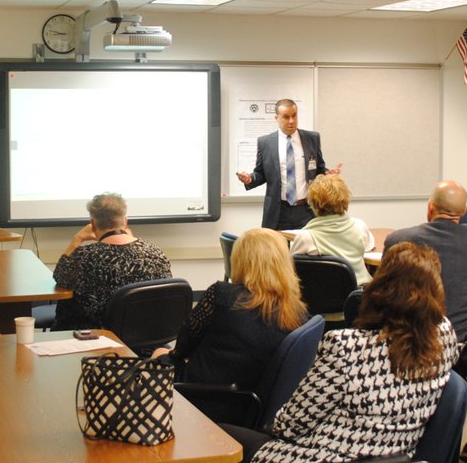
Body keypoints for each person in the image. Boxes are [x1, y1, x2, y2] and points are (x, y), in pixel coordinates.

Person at [190, 242, 459, 463]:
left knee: (217, 445)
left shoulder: (346, 347)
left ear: (379, 288)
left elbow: (289, 425)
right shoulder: (444, 338)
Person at [384, 180, 467, 398]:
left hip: (409, 343)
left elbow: (383, 294)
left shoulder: (399, 240)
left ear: (430, 207)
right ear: (464, 212)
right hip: (466, 347)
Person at [154, 228, 308, 392]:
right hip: (249, 401)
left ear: (240, 261)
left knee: (159, 353)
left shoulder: (222, 294)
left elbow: (183, 347)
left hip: (203, 393)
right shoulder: (298, 313)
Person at [52, 193, 172, 331]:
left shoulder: (83, 257)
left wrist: (77, 239)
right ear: (125, 222)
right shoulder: (155, 253)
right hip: (146, 341)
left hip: (94, 342)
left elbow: (60, 276)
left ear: (92, 224)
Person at [237, 99, 342, 230]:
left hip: (307, 210)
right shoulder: (265, 143)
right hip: (278, 211)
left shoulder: (312, 138)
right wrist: (250, 179)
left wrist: (327, 174)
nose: (291, 121)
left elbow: (319, 168)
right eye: (286, 117)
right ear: (276, 118)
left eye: (294, 115)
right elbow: (260, 173)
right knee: (277, 250)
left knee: (308, 249)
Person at [288, 174, 373, 286]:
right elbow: (369, 247)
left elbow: (291, 270)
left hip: (323, 297)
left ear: (313, 204)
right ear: (345, 199)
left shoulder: (306, 238)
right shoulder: (360, 226)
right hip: (360, 295)